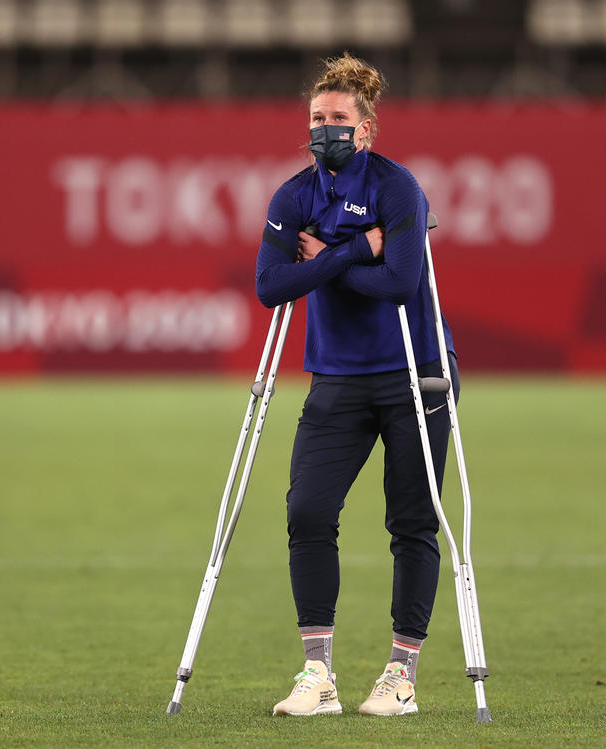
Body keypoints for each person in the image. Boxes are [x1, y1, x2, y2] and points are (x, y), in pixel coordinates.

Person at [255, 53, 459, 717]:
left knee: (411, 520)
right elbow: (271, 286)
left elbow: (400, 282)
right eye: (317, 118)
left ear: (365, 129)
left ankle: (400, 675)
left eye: (338, 119)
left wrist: (328, 257)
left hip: (413, 369)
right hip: (338, 377)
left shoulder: (399, 189)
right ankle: (317, 674)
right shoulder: (293, 197)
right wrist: (355, 250)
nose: (325, 129)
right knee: (308, 510)